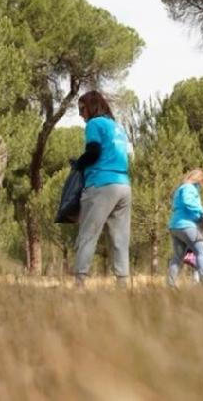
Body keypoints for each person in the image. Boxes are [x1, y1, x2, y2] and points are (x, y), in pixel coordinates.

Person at [73, 90, 132, 287]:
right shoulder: (117, 127)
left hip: (101, 184)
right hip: (123, 185)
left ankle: (80, 283)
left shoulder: (94, 124)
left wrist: (78, 164)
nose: (81, 114)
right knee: (120, 238)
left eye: (82, 109)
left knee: (88, 235)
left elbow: (93, 152)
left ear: (91, 107)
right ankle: (122, 284)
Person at [167, 169, 203, 286]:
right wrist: (202, 211)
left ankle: (170, 285)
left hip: (175, 226)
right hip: (187, 225)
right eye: (202, 182)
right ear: (198, 179)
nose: (201, 186)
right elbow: (188, 202)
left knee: (177, 257)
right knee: (201, 252)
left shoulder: (179, 189)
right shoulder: (189, 187)